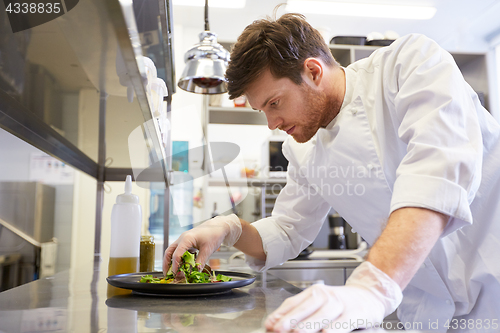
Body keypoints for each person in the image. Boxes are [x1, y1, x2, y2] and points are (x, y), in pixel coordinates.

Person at [164, 11, 500, 333]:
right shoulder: (302, 147)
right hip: (428, 310)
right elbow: (287, 229)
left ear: (312, 71)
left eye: (275, 103)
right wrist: (228, 228)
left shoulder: (410, 64)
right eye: (262, 110)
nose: (272, 124)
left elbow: (437, 177)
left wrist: (370, 288)